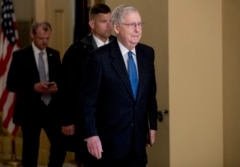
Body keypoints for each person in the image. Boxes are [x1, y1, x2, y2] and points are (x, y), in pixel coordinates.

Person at [81, 4, 158, 167]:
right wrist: (91, 134)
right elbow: (88, 102)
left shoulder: (147, 53)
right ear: (116, 27)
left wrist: (153, 125)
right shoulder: (99, 58)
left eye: (139, 24)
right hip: (108, 145)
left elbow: (150, 93)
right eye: (132, 25)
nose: (137, 30)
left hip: (138, 143)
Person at [60, 3, 115, 167]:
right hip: (88, 119)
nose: (109, 25)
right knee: (91, 161)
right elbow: (67, 86)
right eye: (104, 21)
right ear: (92, 24)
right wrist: (67, 119)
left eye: (111, 21)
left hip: (114, 119)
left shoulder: (119, 47)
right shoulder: (77, 50)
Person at [6, 21, 66, 167]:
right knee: (31, 152)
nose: (44, 41)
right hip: (30, 111)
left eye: (47, 38)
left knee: (60, 145)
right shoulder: (20, 56)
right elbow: (11, 84)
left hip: (51, 109)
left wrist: (56, 86)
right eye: (41, 38)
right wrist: (33, 87)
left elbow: (61, 80)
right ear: (32, 35)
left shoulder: (54, 54)